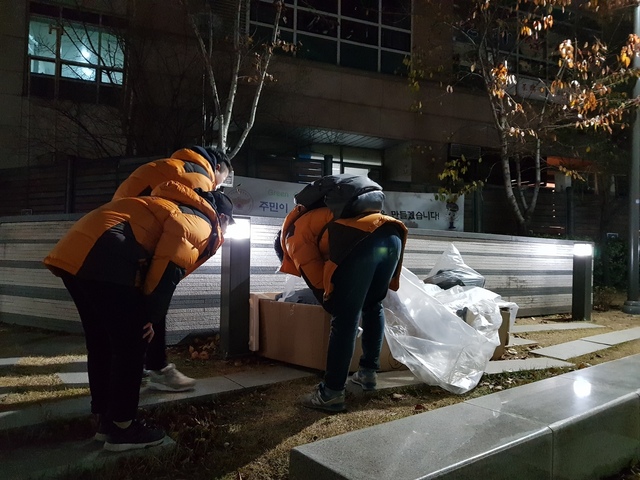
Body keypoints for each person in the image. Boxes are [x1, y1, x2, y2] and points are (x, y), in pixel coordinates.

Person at [43, 181, 234, 450]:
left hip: (75, 251)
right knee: (132, 342)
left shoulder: (168, 206)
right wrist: (150, 316)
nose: (225, 232)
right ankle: (123, 427)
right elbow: (169, 266)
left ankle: (105, 420)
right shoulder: (202, 221)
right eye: (228, 226)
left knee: (102, 341)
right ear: (222, 217)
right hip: (105, 254)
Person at [113, 145, 232, 392]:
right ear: (217, 168)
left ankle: (139, 369)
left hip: (120, 232)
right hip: (137, 241)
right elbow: (182, 228)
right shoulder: (198, 178)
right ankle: (155, 368)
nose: (218, 187)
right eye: (223, 180)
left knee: (139, 309)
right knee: (153, 301)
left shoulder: (173, 165)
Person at [278, 193, 408, 413]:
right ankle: (367, 375)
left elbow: (321, 287)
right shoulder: (314, 217)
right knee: (372, 305)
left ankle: (331, 393)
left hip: (362, 241)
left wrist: (335, 303)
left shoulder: (293, 239)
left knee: (344, 318)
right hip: (390, 234)